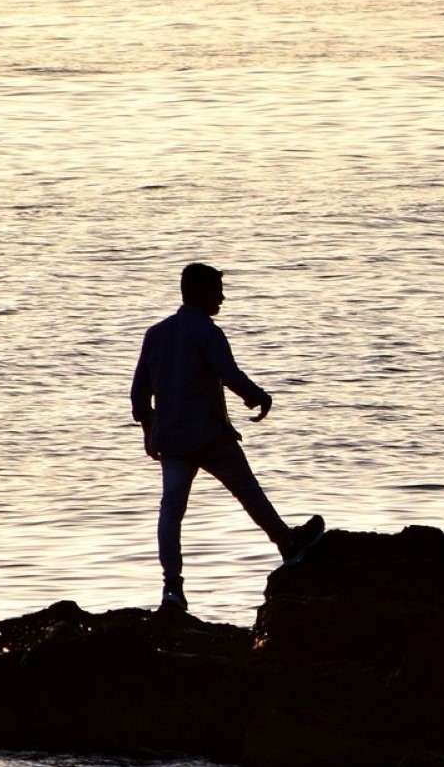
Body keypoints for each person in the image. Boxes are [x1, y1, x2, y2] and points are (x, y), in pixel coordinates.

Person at [131, 262, 323, 613]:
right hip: (209, 436)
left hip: (172, 438)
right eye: (217, 290)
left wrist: (149, 432)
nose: (222, 296)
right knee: (248, 491)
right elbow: (229, 374)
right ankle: (287, 544)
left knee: (171, 511)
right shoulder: (207, 332)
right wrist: (259, 397)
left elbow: (139, 393)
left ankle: (171, 587)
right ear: (200, 292)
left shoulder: (155, 334)